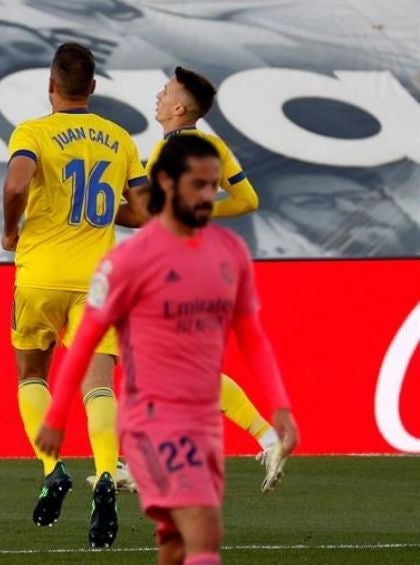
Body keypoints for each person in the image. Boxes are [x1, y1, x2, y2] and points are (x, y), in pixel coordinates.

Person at [36, 134, 299, 565]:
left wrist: (280, 409)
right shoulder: (127, 255)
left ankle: (246, 443)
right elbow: (84, 342)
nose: (161, 96)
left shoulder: (221, 236)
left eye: (212, 187)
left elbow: (252, 336)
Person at [1, 41, 147, 545]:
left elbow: (17, 185)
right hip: (97, 279)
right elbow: (145, 210)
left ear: (50, 85)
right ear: (93, 87)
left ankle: (52, 468)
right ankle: (106, 474)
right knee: (98, 384)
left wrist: (9, 227)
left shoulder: (33, 131)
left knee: (32, 372)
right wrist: (106, 214)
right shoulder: (118, 138)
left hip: (41, 271)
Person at [149, 66, 286, 492]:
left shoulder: (167, 152)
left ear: (178, 107)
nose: (158, 94)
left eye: (166, 90)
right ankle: (266, 438)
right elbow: (247, 199)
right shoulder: (212, 143)